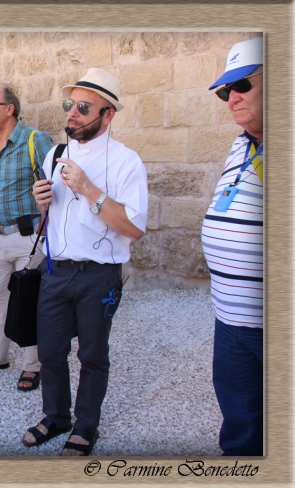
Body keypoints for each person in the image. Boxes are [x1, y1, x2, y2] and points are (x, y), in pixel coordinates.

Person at [26, 68, 148, 456]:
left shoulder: (127, 162)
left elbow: (133, 228)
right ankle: (56, 416)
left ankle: (86, 426)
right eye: (69, 105)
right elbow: (52, 215)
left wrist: (88, 189)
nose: (72, 114)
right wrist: (41, 199)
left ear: (107, 114)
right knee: (49, 351)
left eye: (83, 107)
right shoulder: (55, 154)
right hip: (56, 271)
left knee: (93, 354)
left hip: (99, 275)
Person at [0, 83, 53, 392]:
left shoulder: (35, 140)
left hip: (28, 236)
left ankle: (33, 364)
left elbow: (57, 186)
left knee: (29, 301)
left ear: (9, 108)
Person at [203, 37, 264, 456]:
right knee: (240, 418)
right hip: (229, 314)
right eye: (226, 91)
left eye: (243, 85)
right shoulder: (241, 142)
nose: (232, 98)